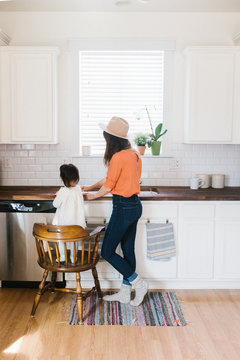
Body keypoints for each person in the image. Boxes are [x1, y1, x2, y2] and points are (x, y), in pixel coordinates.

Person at [83, 117, 148, 306]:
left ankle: (139, 283)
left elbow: (109, 185)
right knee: (128, 250)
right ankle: (125, 293)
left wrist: (90, 196)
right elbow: (109, 178)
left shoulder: (118, 157)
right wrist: (90, 187)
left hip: (123, 208)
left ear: (111, 139)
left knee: (108, 251)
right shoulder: (134, 154)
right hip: (134, 206)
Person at [53, 164, 86, 262]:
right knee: (74, 242)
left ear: (61, 178)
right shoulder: (78, 189)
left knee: (61, 241)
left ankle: (62, 257)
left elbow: (55, 204)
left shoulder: (63, 191)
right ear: (77, 178)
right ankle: (73, 257)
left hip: (64, 225)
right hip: (77, 225)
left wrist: (57, 195)